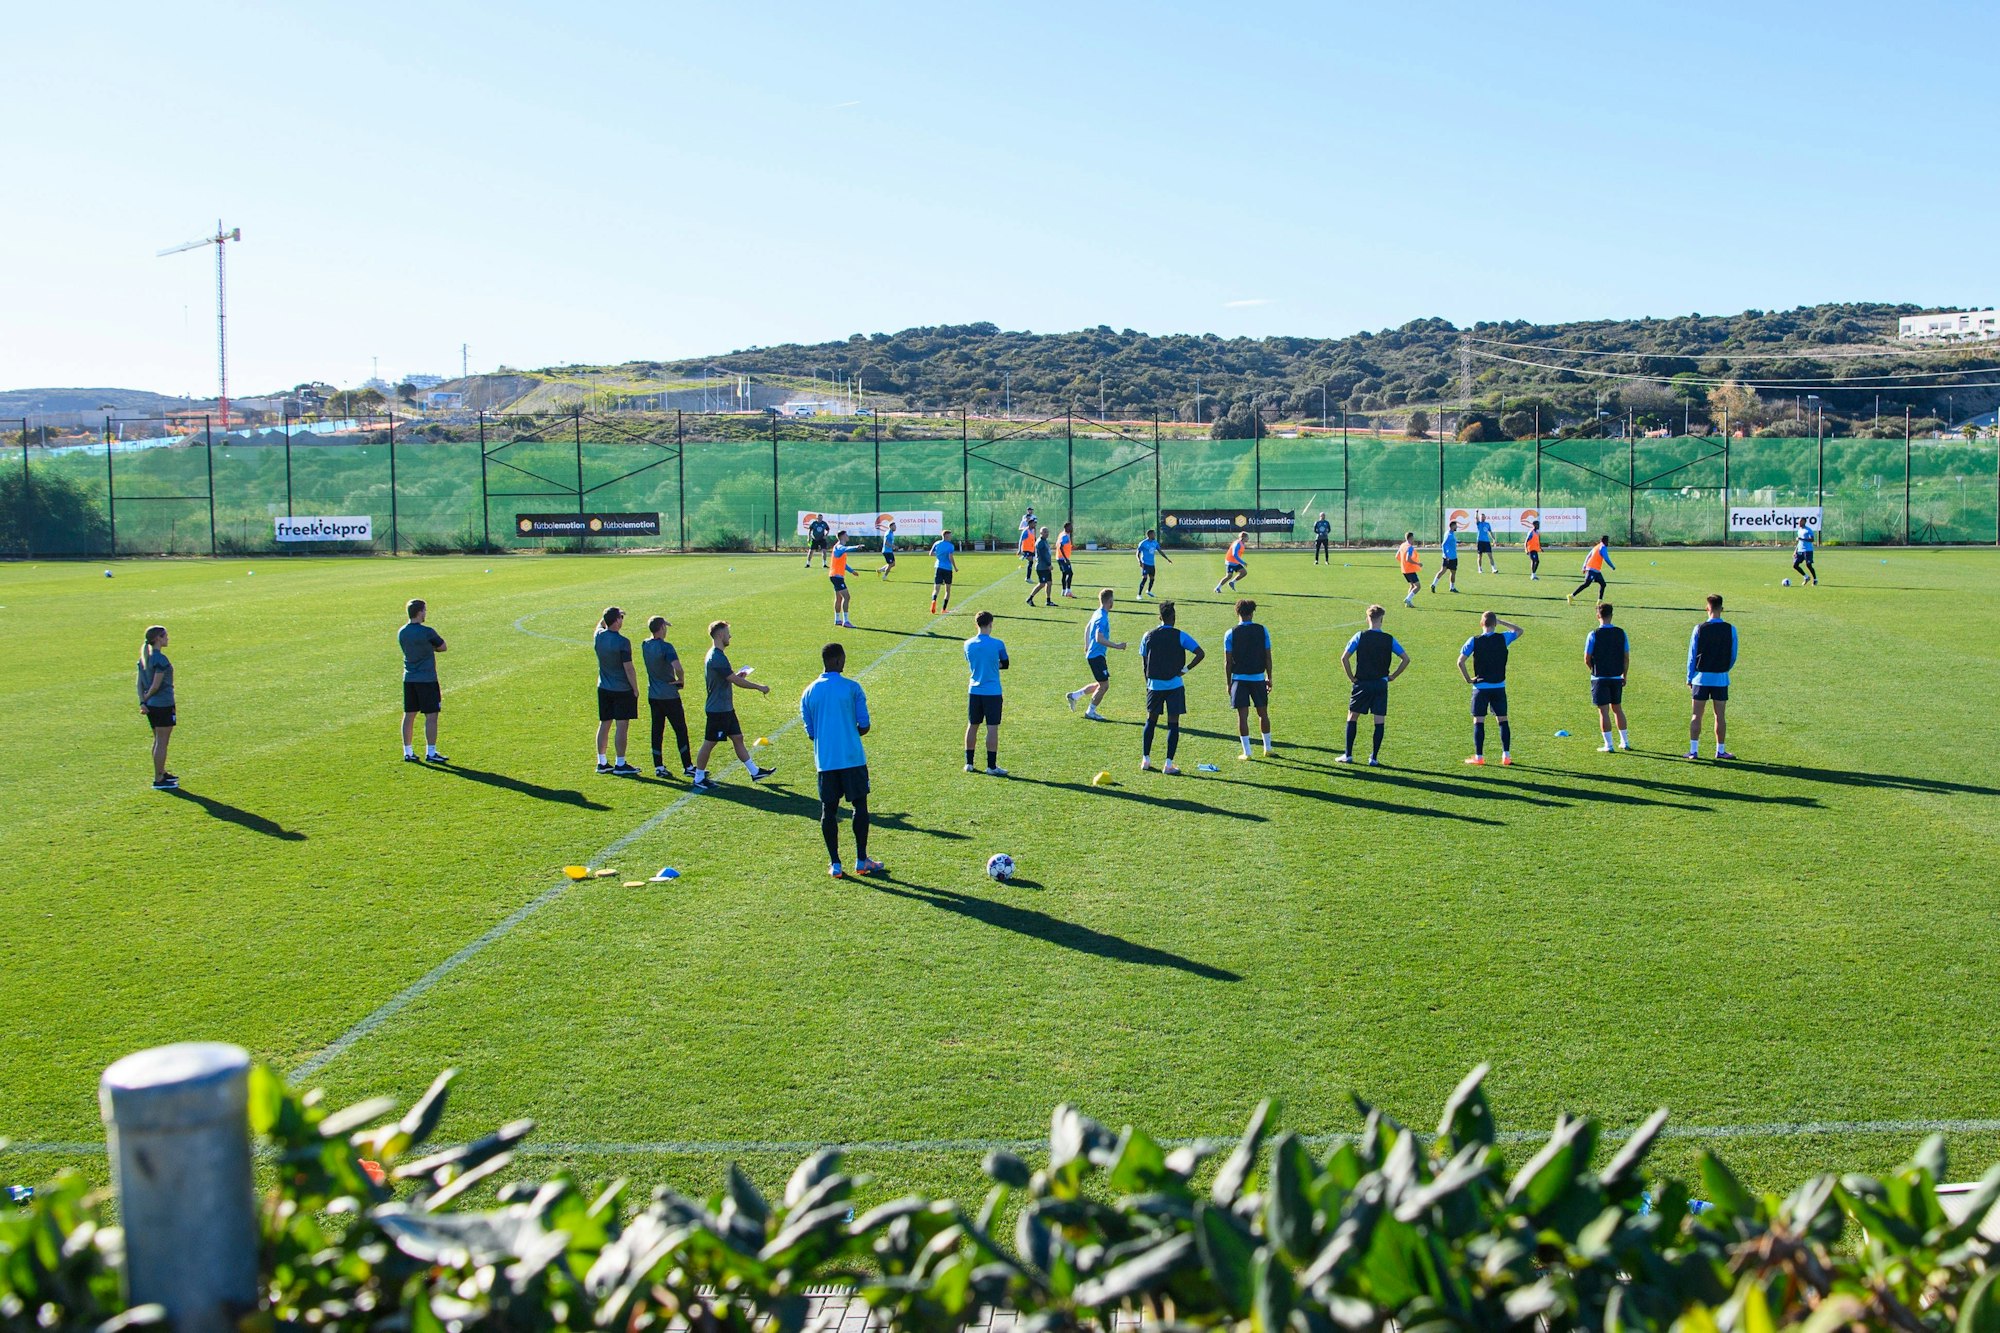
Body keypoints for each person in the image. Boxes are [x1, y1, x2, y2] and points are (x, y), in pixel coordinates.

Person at [800, 642, 883, 879]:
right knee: (860, 806)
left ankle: (835, 864)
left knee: (829, 810)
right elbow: (864, 726)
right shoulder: (852, 688)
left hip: (826, 761)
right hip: (852, 758)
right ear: (837, 660)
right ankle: (861, 859)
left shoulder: (809, 692)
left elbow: (811, 732)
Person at [692, 620, 777, 789]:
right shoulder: (716, 657)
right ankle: (699, 778)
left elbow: (728, 678)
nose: (730, 636)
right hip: (718, 710)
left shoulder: (717, 655)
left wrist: (736, 676)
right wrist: (759, 687)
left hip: (726, 708)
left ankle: (754, 772)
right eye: (728, 632)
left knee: (738, 738)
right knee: (709, 742)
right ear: (720, 634)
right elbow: (735, 681)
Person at [1338, 604, 1410, 765]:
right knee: (1379, 721)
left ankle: (1348, 755)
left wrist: (1351, 677)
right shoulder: (1389, 639)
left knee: (1352, 717)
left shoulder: (1359, 636)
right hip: (1380, 684)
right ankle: (1374, 758)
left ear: (1367, 618)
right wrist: (1393, 676)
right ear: (1382, 620)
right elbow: (1406, 659)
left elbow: (1344, 658)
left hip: (1362, 683)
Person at [1138, 601, 1203, 774]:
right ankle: (1168, 764)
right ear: (1174, 618)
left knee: (1151, 721)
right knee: (1173, 724)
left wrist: (1148, 682)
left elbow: (1144, 662)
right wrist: (1185, 669)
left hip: (1154, 685)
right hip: (1174, 685)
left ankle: (1145, 759)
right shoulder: (1180, 635)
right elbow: (1200, 653)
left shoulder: (1148, 635)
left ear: (1159, 617)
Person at [1457, 610, 1524, 766]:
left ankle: (1479, 757)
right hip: (1499, 686)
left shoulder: (1473, 641)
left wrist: (1468, 679)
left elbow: (1460, 662)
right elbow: (1519, 630)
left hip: (1480, 687)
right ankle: (1506, 756)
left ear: (1481, 623)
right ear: (1494, 624)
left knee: (1478, 720)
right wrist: (1502, 622)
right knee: (1502, 720)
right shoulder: (1503, 638)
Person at [1686, 593, 1738, 761]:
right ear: (1722, 609)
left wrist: (1689, 677)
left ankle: (1694, 751)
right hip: (1721, 678)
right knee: (1720, 716)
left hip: (1700, 678)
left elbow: (1692, 656)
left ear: (1707, 607)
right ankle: (1720, 750)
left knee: (1696, 715)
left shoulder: (1699, 628)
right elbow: (1733, 655)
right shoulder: (1731, 629)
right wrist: (1724, 669)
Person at [593, 607, 642, 776]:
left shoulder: (598, 636)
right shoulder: (623, 642)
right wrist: (635, 689)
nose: (622, 620)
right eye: (620, 617)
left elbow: (600, 624)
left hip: (604, 687)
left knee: (604, 723)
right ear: (617, 621)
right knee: (622, 725)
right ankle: (620, 763)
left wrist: (607, 615)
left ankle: (602, 761)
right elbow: (629, 668)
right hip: (622, 689)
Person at [398, 598, 447, 764]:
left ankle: (408, 751)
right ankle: (431, 752)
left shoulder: (402, 632)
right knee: (431, 716)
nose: (425, 613)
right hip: (427, 679)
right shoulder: (427, 632)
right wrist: (429, 647)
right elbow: (442, 647)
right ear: (420, 612)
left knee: (409, 715)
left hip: (409, 679)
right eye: (425, 610)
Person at [643, 615, 692, 777]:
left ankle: (658, 766)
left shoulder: (645, 645)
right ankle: (688, 766)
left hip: (653, 695)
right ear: (662, 628)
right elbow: (678, 668)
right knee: (680, 730)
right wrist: (681, 680)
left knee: (657, 730)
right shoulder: (667, 647)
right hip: (670, 695)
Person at [1223, 598, 1273, 759]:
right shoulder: (1262, 630)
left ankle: (1247, 752)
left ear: (1237, 612)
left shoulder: (1230, 633)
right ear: (1252, 612)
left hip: (1239, 679)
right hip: (1258, 678)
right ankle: (1268, 748)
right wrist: (1269, 677)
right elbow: (1268, 657)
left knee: (1242, 716)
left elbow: (1228, 662)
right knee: (1263, 713)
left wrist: (1229, 682)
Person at [1065, 587, 1126, 719]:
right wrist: (1117, 646)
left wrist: (1087, 644)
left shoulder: (1097, 612)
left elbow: (1087, 628)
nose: (1113, 602)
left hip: (1094, 654)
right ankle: (1090, 712)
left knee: (1100, 684)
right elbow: (1099, 638)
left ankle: (1074, 696)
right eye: (1113, 600)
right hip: (1097, 656)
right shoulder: (1102, 618)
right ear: (1109, 601)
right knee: (1104, 686)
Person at [963, 609, 1009, 775]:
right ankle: (991, 766)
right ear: (991, 624)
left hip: (974, 690)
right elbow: (1006, 664)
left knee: (972, 725)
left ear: (976, 624)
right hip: (993, 692)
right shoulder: (998, 644)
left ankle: (969, 763)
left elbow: (970, 662)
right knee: (992, 728)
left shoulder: (967, 644)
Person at [1584, 602, 1631, 753]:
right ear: (1612, 615)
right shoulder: (1621, 633)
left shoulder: (1593, 634)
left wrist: (1594, 669)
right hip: (1616, 676)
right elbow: (1626, 657)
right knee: (1617, 708)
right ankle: (1624, 741)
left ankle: (1608, 745)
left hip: (1599, 677)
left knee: (1603, 711)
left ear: (1598, 615)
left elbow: (1587, 658)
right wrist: (1624, 674)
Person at [137, 624, 178, 789]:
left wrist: (143, 701)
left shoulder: (144, 658)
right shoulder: (160, 659)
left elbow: (139, 683)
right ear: (158, 639)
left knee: (157, 740)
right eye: (165, 636)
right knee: (162, 742)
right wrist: (147, 699)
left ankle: (160, 772)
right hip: (163, 704)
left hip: (152, 707)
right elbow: (156, 685)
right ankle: (159, 778)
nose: (167, 638)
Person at [1569, 534, 1614, 603]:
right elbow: (1606, 558)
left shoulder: (1597, 546)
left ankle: (1599, 601)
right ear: (1605, 541)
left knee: (1603, 584)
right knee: (1586, 584)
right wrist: (1612, 566)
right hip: (1592, 569)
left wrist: (1584, 566)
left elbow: (1588, 555)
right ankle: (1571, 596)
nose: (1608, 543)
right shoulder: (1603, 547)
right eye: (1607, 541)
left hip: (1595, 570)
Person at [828, 530, 860, 628]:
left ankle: (837, 619)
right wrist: (855, 547)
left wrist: (852, 571)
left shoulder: (839, 548)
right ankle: (846, 621)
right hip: (836, 576)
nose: (848, 536)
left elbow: (843, 564)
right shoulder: (839, 547)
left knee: (839, 598)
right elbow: (844, 549)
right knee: (847, 597)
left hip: (835, 576)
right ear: (842, 536)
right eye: (846, 535)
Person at [1136, 528, 1171, 599]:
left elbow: (1160, 551)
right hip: (1145, 563)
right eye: (1153, 534)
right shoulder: (1143, 543)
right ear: (1149, 535)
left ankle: (1148, 591)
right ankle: (1139, 595)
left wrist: (1167, 559)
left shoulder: (1155, 542)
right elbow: (1137, 553)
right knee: (1144, 578)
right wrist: (1139, 561)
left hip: (1152, 564)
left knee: (1152, 578)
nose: (1154, 535)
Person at [929, 528, 958, 614]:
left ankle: (934, 600)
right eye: (950, 536)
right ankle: (944, 609)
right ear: (946, 536)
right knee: (947, 590)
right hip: (947, 569)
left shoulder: (937, 543)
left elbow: (931, 553)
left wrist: (938, 555)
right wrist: (955, 567)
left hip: (938, 567)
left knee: (936, 589)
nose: (951, 537)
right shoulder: (950, 546)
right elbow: (950, 557)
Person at [1430, 520, 1461, 595]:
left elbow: (1450, 542)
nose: (1457, 527)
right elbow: (1443, 544)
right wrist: (1446, 555)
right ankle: (1451, 587)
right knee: (1449, 572)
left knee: (1446, 571)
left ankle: (1435, 584)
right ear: (1452, 526)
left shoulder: (1450, 533)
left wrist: (1457, 542)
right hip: (1450, 557)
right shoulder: (1449, 534)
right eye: (1456, 525)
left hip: (1451, 556)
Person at [1027, 526, 1055, 607]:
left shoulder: (1045, 541)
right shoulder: (1040, 542)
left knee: (1049, 583)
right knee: (1042, 584)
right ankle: (1030, 598)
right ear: (1041, 533)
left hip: (1046, 567)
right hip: (1042, 567)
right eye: (1045, 532)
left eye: (1047, 532)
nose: (1047, 533)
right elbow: (1042, 555)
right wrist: (1049, 564)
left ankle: (1048, 600)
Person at [1214, 530, 1249, 595]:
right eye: (1247, 537)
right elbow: (1234, 554)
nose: (1248, 538)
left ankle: (1232, 582)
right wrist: (1242, 562)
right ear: (1244, 537)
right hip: (1230, 562)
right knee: (1229, 576)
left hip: (1235, 562)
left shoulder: (1242, 543)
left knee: (1244, 572)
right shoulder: (1237, 543)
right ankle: (1217, 588)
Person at [1397, 531, 1422, 608]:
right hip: (1410, 570)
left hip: (1404, 570)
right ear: (1411, 538)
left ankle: (1408, 603)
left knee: (1411, 586)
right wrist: (1417, 564)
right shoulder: (1410, 547)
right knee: (1418, 586)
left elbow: (1397, 556)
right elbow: (1408, 558)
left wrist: (1403, 563)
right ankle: (1408, 599)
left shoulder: (1402, 545)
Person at [1057, 522, 1077, 597]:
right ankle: (1068, 591)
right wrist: (1065, 558)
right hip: (1063, 558)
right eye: (1070, 527)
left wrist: (1071, 547)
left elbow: (1062, 545)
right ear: (1066, 527)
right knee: (1070, 573)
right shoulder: (1064, 536)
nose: (1072, 528)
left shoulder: (1062, 534)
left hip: (1060, 557)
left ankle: (1063, 590)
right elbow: (1060, 547)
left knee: (1064, 574)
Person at [1019, 511, 1037, 582]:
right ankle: (1028, 578)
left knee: (1031, 562)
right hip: (1026, 549)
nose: (1034, 525)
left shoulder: (1031, 531)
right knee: (1031, 562)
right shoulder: (1026, 531)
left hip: (1031, 549)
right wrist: (1019, 550)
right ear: (1030, 524)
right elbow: (1021, 540)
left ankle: (1028, 577)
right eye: (1033, 524)